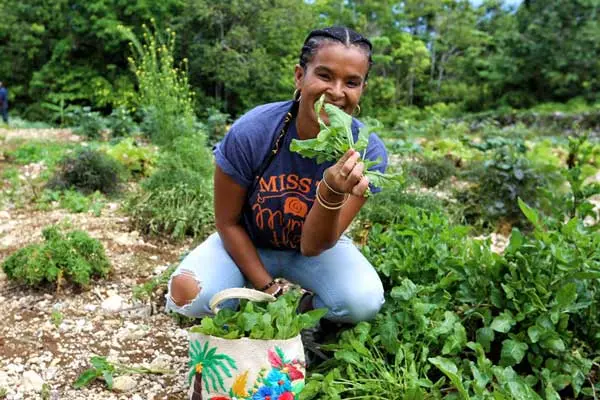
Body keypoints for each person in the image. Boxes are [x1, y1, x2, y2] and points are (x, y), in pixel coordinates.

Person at [165, 26, 388, 325]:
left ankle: (306, 314)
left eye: (351, 82)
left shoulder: (367, 153)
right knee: (188, 294)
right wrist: (267, 289)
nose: (336, 92)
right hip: (248, 238)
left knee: (362, 302)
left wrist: (331, 192)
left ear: (361, 89)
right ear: (300, 76)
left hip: (316, 249)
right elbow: (227, 222)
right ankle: (243, 305)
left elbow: (314, 246)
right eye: (324, 75)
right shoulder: (253, 132)